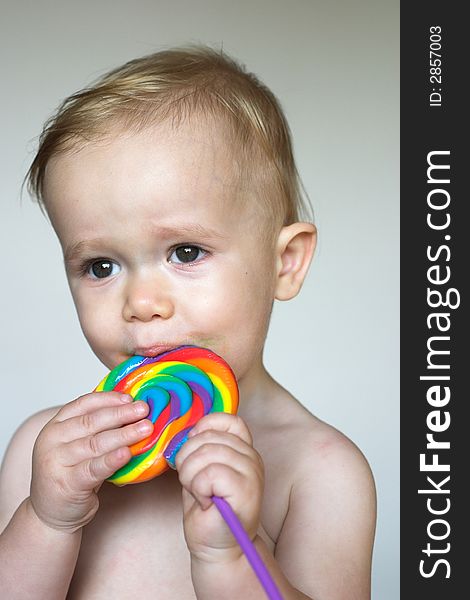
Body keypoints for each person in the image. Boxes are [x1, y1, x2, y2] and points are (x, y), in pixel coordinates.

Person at [0, 46, 376, 599]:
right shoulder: (47, 450)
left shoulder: (321, 472)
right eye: (100, 266)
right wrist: (47, 520)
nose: (142, 302)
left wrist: (232, 554)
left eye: (185, 252)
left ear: (284, 263)